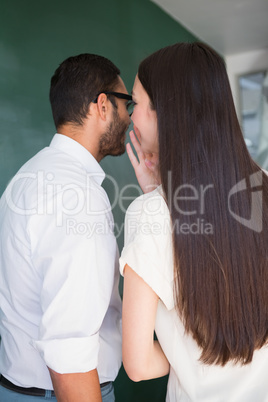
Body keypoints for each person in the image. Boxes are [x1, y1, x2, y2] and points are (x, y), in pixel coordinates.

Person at [119, 42, 268, 401]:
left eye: (135, 104)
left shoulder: (149, 214)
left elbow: (138, 366)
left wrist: (189, 357)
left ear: (166, 112)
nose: (129, 116)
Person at [0, 53, 133, 401]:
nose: (130, 117)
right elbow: (70, 353)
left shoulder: (26, 178)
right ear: (103, 106)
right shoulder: (77, 198)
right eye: (127, 104)